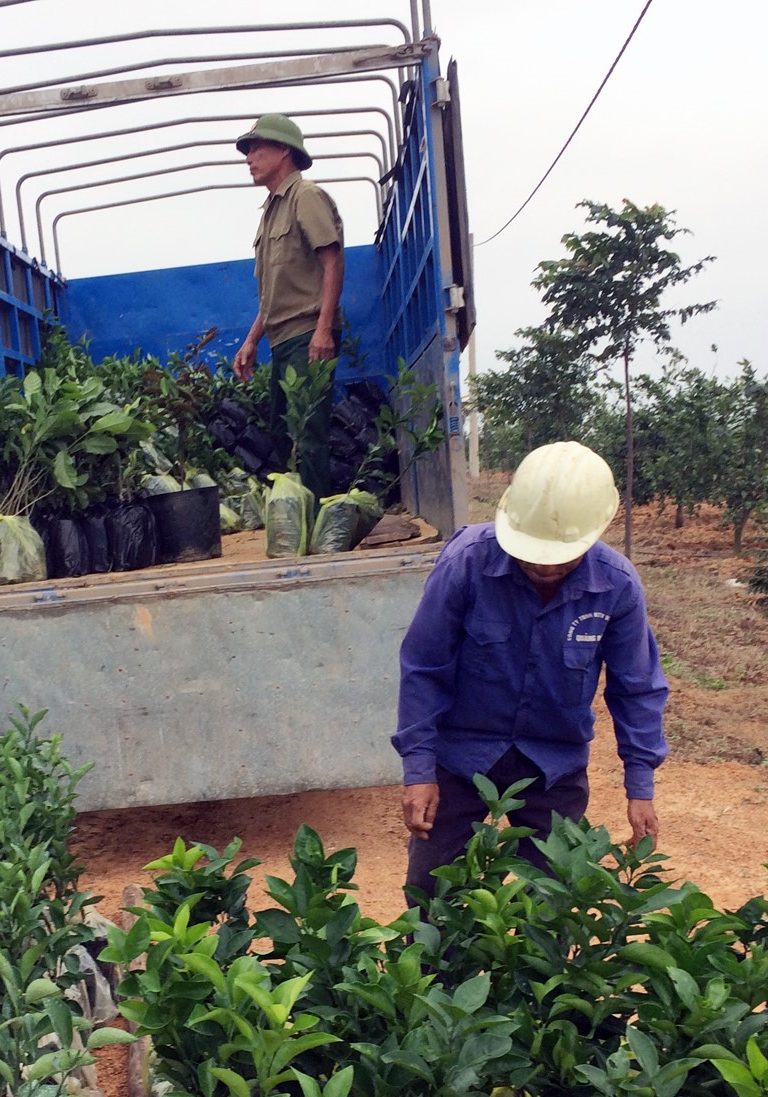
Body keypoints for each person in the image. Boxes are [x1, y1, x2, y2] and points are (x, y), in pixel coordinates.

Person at [392, 441, 670, 895]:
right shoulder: (466, 563)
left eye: (559, 556)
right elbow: (425, 667)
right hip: (460, 758)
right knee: (431, 897)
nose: (543, 565)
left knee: (551, 902)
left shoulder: (616, 586)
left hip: (553, 766)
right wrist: (419, 771)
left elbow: (636, 688)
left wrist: (640, 787)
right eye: (532, 552)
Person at [231, 114, 344, 500]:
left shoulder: (305, 196)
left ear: (283, 151)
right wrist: (251, 341)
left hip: (307, 333)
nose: (249, 158)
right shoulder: (271, 211)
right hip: (282, 339)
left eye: (256, 148)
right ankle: (297, 514)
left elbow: (332, 261)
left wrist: (323, 330)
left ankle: (316, 523)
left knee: (308, 433)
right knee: (283, 431)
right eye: (247, 151)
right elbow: (274, 290)